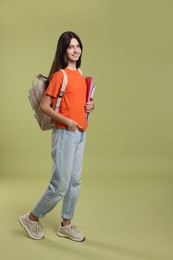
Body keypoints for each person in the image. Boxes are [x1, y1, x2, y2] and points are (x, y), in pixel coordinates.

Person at [19, 31, 95, 242]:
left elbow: (80, 103)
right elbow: (45, 106)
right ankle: (31, 218)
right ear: (63, 50)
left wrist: (91, 105)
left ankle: (66, 225)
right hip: (65, 133)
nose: (76, 50)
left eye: (78, 45)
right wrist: (68, 122)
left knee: (74, 182)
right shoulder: (60, 76)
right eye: (71, 46)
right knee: (60, 183)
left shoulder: (80, 74)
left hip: (81, 133)